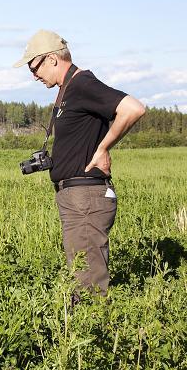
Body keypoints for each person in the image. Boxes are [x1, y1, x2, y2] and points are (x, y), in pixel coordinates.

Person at [13, 29, 145, 297]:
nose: (33, 75)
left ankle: (94, 332)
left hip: (86, 196)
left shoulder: (82, 83)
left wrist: (104, 147)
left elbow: (133, 108)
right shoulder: (68, 89)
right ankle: (83, 330)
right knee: (82, 274)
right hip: (77, 197)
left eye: (34, 67)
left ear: (51, 59)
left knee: (88, 283)